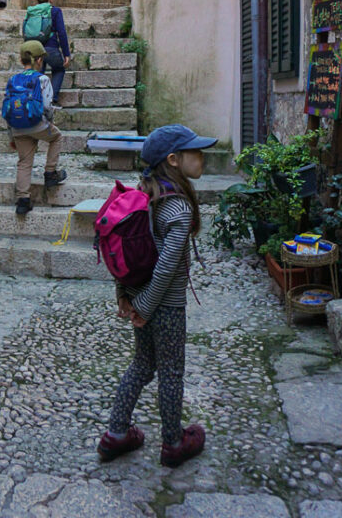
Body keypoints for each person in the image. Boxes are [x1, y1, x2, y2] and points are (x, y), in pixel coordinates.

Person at [97, 123, 217, 468]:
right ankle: (174, 443)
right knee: (170, 372)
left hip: (139, 298)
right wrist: (147, 308)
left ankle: (116, 434)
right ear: (174, 160)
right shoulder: (178, 208)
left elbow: (123, 248)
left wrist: (126, 295)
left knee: (142, 365)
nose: (202, 156)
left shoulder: (144, 192)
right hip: (162, 305)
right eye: (195, 151)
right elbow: (165, 269)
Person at [6, 40, 68, 216]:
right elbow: (47, 107)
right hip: (37, 124)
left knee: (24, 162)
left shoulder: (13, 79)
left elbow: (8, 108)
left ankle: (23, 201)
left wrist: (11, 135)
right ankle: (50, 174)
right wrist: (49, 123)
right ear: (39, 60)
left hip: (17, 127)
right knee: (57, 137)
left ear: (21, 60)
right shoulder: (42, 79)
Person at [35, 0, 71, 106]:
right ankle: (52, 99)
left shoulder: (32, 11)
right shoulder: (55, 11)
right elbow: (61, 33)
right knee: (59, 69)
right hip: (51, 48)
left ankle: (37, 99)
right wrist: (66, 54)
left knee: (39, 72)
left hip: (34, 48)